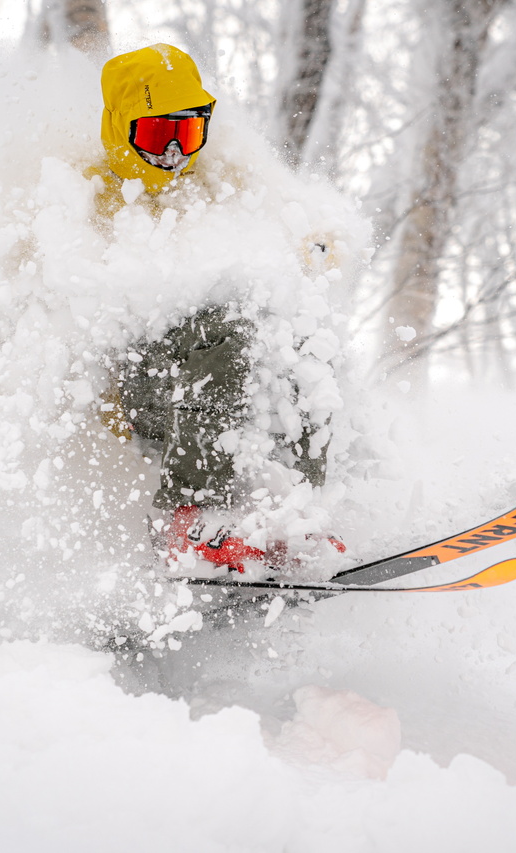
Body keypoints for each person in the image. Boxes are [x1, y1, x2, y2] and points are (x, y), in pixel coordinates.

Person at [91, 44, 341, 575]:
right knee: (224, 329)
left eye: (188, 134)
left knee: (299, 334)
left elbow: (286, 214)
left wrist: (314, 246)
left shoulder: (217, 180)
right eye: (159, 136)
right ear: (121, 126)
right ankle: (191, 519)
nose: (175, 155)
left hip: (210, 387)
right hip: (134, 389)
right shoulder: (87, 195)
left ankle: (290, 510)